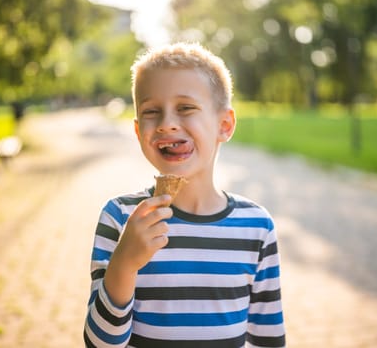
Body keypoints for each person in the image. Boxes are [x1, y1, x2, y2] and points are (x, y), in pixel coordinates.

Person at [84, 42, 286, 348]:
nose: (166, 124)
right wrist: (124, 264)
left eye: (186, 108)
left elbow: (267, 340)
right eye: (152, 112)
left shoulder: (256, 227)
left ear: (225, 124)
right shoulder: (121, 217)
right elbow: (100, 344)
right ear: (138, 132)